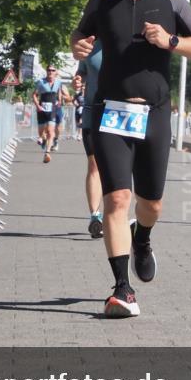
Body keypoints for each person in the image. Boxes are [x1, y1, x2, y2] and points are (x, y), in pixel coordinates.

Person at [71, 0, 191, 318]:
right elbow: (79, 36)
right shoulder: (101, 3)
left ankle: (143, 238)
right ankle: (121, 290)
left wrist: (170, 42)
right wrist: (78, 44)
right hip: (111, 112)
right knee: (117, 198)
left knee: (151, 203)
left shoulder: (172, 2)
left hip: (154, 116)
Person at [76, 42, 104, 239]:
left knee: (115, 167)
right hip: (92, 112)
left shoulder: (128, 38)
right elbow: (82, 72)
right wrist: (79, 79)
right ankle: (95, 216)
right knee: (94, 164)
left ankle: (116, 214)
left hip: (119, 114)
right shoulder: (90, 44)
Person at [33, 66, 62, 163]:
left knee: (50, 131)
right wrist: (37, 106)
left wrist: (59, 101)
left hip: (53, 109)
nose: (50, 72)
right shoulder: (41, 82)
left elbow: (59, 92)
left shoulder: (58, 82)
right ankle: (43, 140)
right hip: (42, 108)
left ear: (55, 72)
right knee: (41, 132)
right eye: (49, 70)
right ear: (46, 71)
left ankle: (47, 152)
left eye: (53, 70)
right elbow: (34, 95)